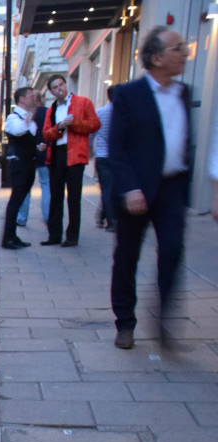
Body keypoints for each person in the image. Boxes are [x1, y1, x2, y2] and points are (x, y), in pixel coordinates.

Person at [108, 26, 190, 349]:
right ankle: (125, 323)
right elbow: (117, 146)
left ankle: (165, 322)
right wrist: (129, 188)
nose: (184, 53)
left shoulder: (184, 92)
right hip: (136, 191)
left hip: (172, 188)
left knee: (171, 251)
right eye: (177, 48)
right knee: (127, 257)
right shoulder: (129, 94)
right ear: (156, 58)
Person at [41, 75, 100, 246]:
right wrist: (59, 127)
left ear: (66, 85)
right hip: (57, 154)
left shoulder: (83, 102)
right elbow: (46, 134)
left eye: (61, 84)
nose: (60, 88)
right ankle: (54, 235)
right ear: (51, 91)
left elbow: (95, 125)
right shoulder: (51, 110)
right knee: (56, 196)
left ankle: (72, 236)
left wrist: (74, 124)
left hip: (75, 155)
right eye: (56, 87)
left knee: (74, 197)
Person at [2, 86, 43, 249]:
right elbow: (18, 131)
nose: (34, 98)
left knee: (19, 201)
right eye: (31, 96)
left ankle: (12, 235)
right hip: (19, 165)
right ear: (22, 99)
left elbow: (29, 136)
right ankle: (7, 238)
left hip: (28, 163)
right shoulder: (13, 118)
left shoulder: (28, 117)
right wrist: (29, 118)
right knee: (15, 201)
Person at [17, 96, 51, 228]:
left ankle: (21, 218)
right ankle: (47, 216)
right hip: (44, 152)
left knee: (26, 187)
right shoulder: (49, 112)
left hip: (29, 154)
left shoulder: (29, 115)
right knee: (46, 184)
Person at [93, 85, 118, 231]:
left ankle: (103, 216)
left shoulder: (100, 112)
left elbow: (91, 133)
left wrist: (89, 148)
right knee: (112, 189)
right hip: (116, 157)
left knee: (107, 188)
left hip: (102, 156)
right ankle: (111, 220)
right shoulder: (122, 113)